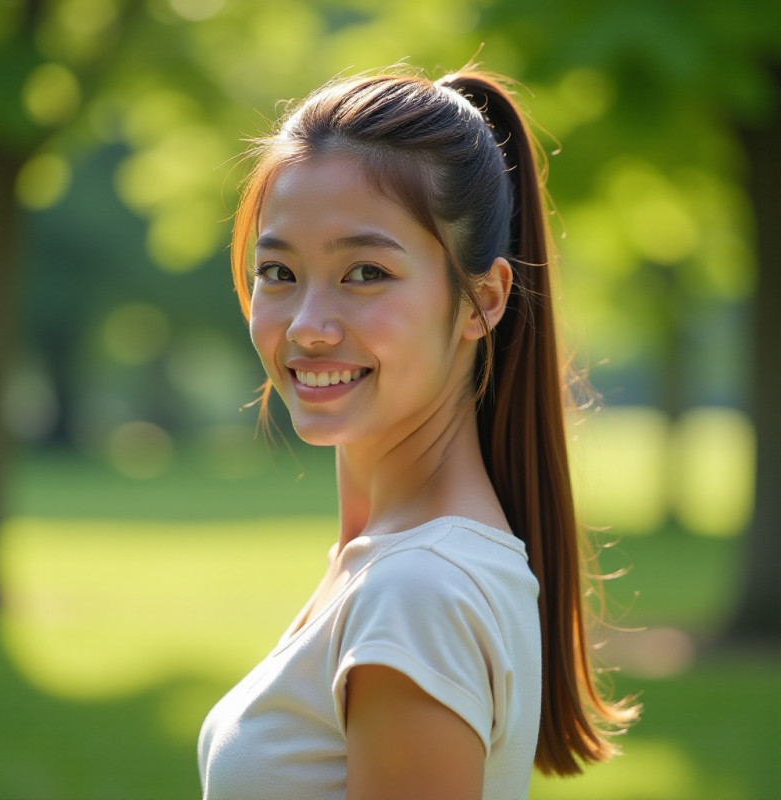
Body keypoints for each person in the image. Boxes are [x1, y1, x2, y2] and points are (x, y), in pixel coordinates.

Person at [198, 65, 638, 800]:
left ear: (482, 301)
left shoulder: (417, 590)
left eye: (365, 272)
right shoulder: (389, 563)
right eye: (278, 272)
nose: (307, 327)